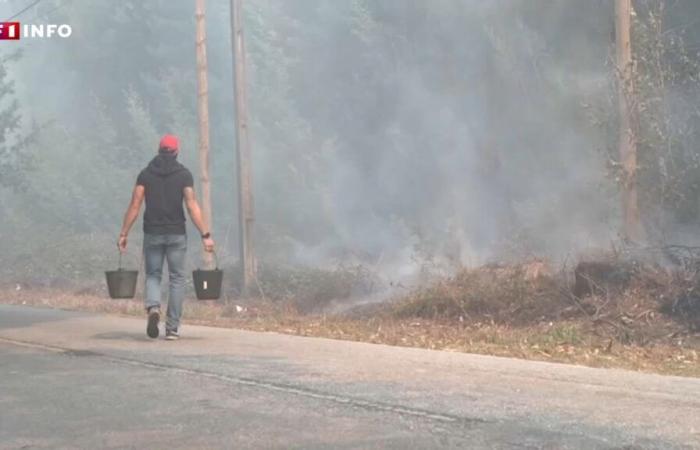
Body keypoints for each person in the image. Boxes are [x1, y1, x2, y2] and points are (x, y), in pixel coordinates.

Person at [117, 134, 215, 340]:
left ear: (158, 150)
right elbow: (191, 205)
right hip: (176, 234)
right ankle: (172, 328)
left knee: (153, 275)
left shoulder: (145, 174)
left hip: (152, 233)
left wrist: (124, 232)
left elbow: (135, 204)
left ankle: (153, 308)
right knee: (177, 279)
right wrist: (205, 234)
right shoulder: (184, 175)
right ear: (177, 151)